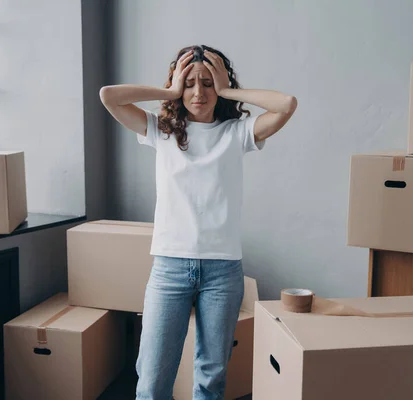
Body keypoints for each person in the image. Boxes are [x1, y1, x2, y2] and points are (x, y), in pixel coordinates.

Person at [100, 44, 297, 400]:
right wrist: (168, 91)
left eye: (207, 84)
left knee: (211, 381)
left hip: (222, 272)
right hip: (169, 269)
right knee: (151, 383)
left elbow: (286, 105)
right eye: (189, 83)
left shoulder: (237, 133)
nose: (198, 93)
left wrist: (228, 89)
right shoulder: (160, 131)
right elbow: (108, 96)